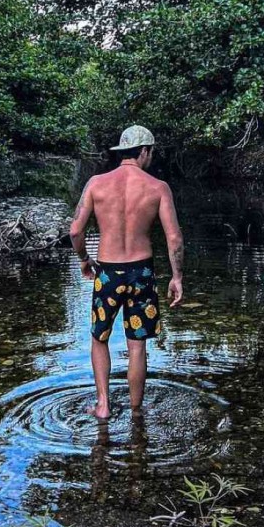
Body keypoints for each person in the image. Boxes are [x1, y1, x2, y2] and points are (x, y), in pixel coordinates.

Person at [69, 125, 184, 419]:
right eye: (151, 153)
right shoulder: (158, 187)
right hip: (141, 273)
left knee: (99, 338)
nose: (151, 158)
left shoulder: (96, 183)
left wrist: (84, 259)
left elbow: (75, 230)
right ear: (144, 151)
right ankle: (135, 412)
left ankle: (103, 405)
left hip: (107, 272)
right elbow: (174, 239)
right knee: (137, 345)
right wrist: (176, 277)